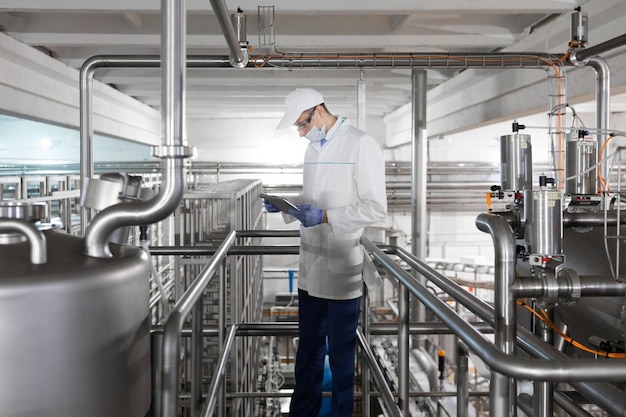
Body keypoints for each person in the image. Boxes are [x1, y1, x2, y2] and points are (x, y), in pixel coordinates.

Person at [266, 88, 387, 417]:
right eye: (298, 128)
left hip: (341, 270)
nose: (302, 133)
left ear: (318, 111)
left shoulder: (360, 143)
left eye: (303, 124)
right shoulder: (313, 150)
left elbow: (375, 208)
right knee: (308, 353)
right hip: (311, 270)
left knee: (343, 359)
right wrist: (286, 206)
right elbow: (316, 199)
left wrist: (328, 217)